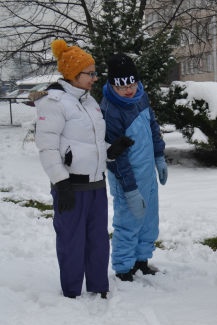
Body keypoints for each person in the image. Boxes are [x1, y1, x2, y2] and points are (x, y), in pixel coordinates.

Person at [34, 40, 124, 299]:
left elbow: (90, 143)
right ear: (73, 74)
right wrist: (61, 182)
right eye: (90, 73)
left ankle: (98, 286)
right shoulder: (53, 102)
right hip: (71, 186)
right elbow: (47, 147)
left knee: (98, 240)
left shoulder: (90, 102)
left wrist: (110, 151)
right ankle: (72, 290)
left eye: (95, 73)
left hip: (96, 184)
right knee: (71, 240)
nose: (95, 78)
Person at [101, 53, 168, 281]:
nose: (129, 90)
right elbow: (116, 157)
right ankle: (123, 268)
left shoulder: (141, 97)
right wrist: (129, 189)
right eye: (122, 87)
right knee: (128, 223)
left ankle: (141, 261)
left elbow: (152, 126)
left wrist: (159, 156)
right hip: (126, 178)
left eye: (132, 84)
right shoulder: (110, 110)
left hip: (147, 173)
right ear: (112, 85)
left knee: (149, 221)